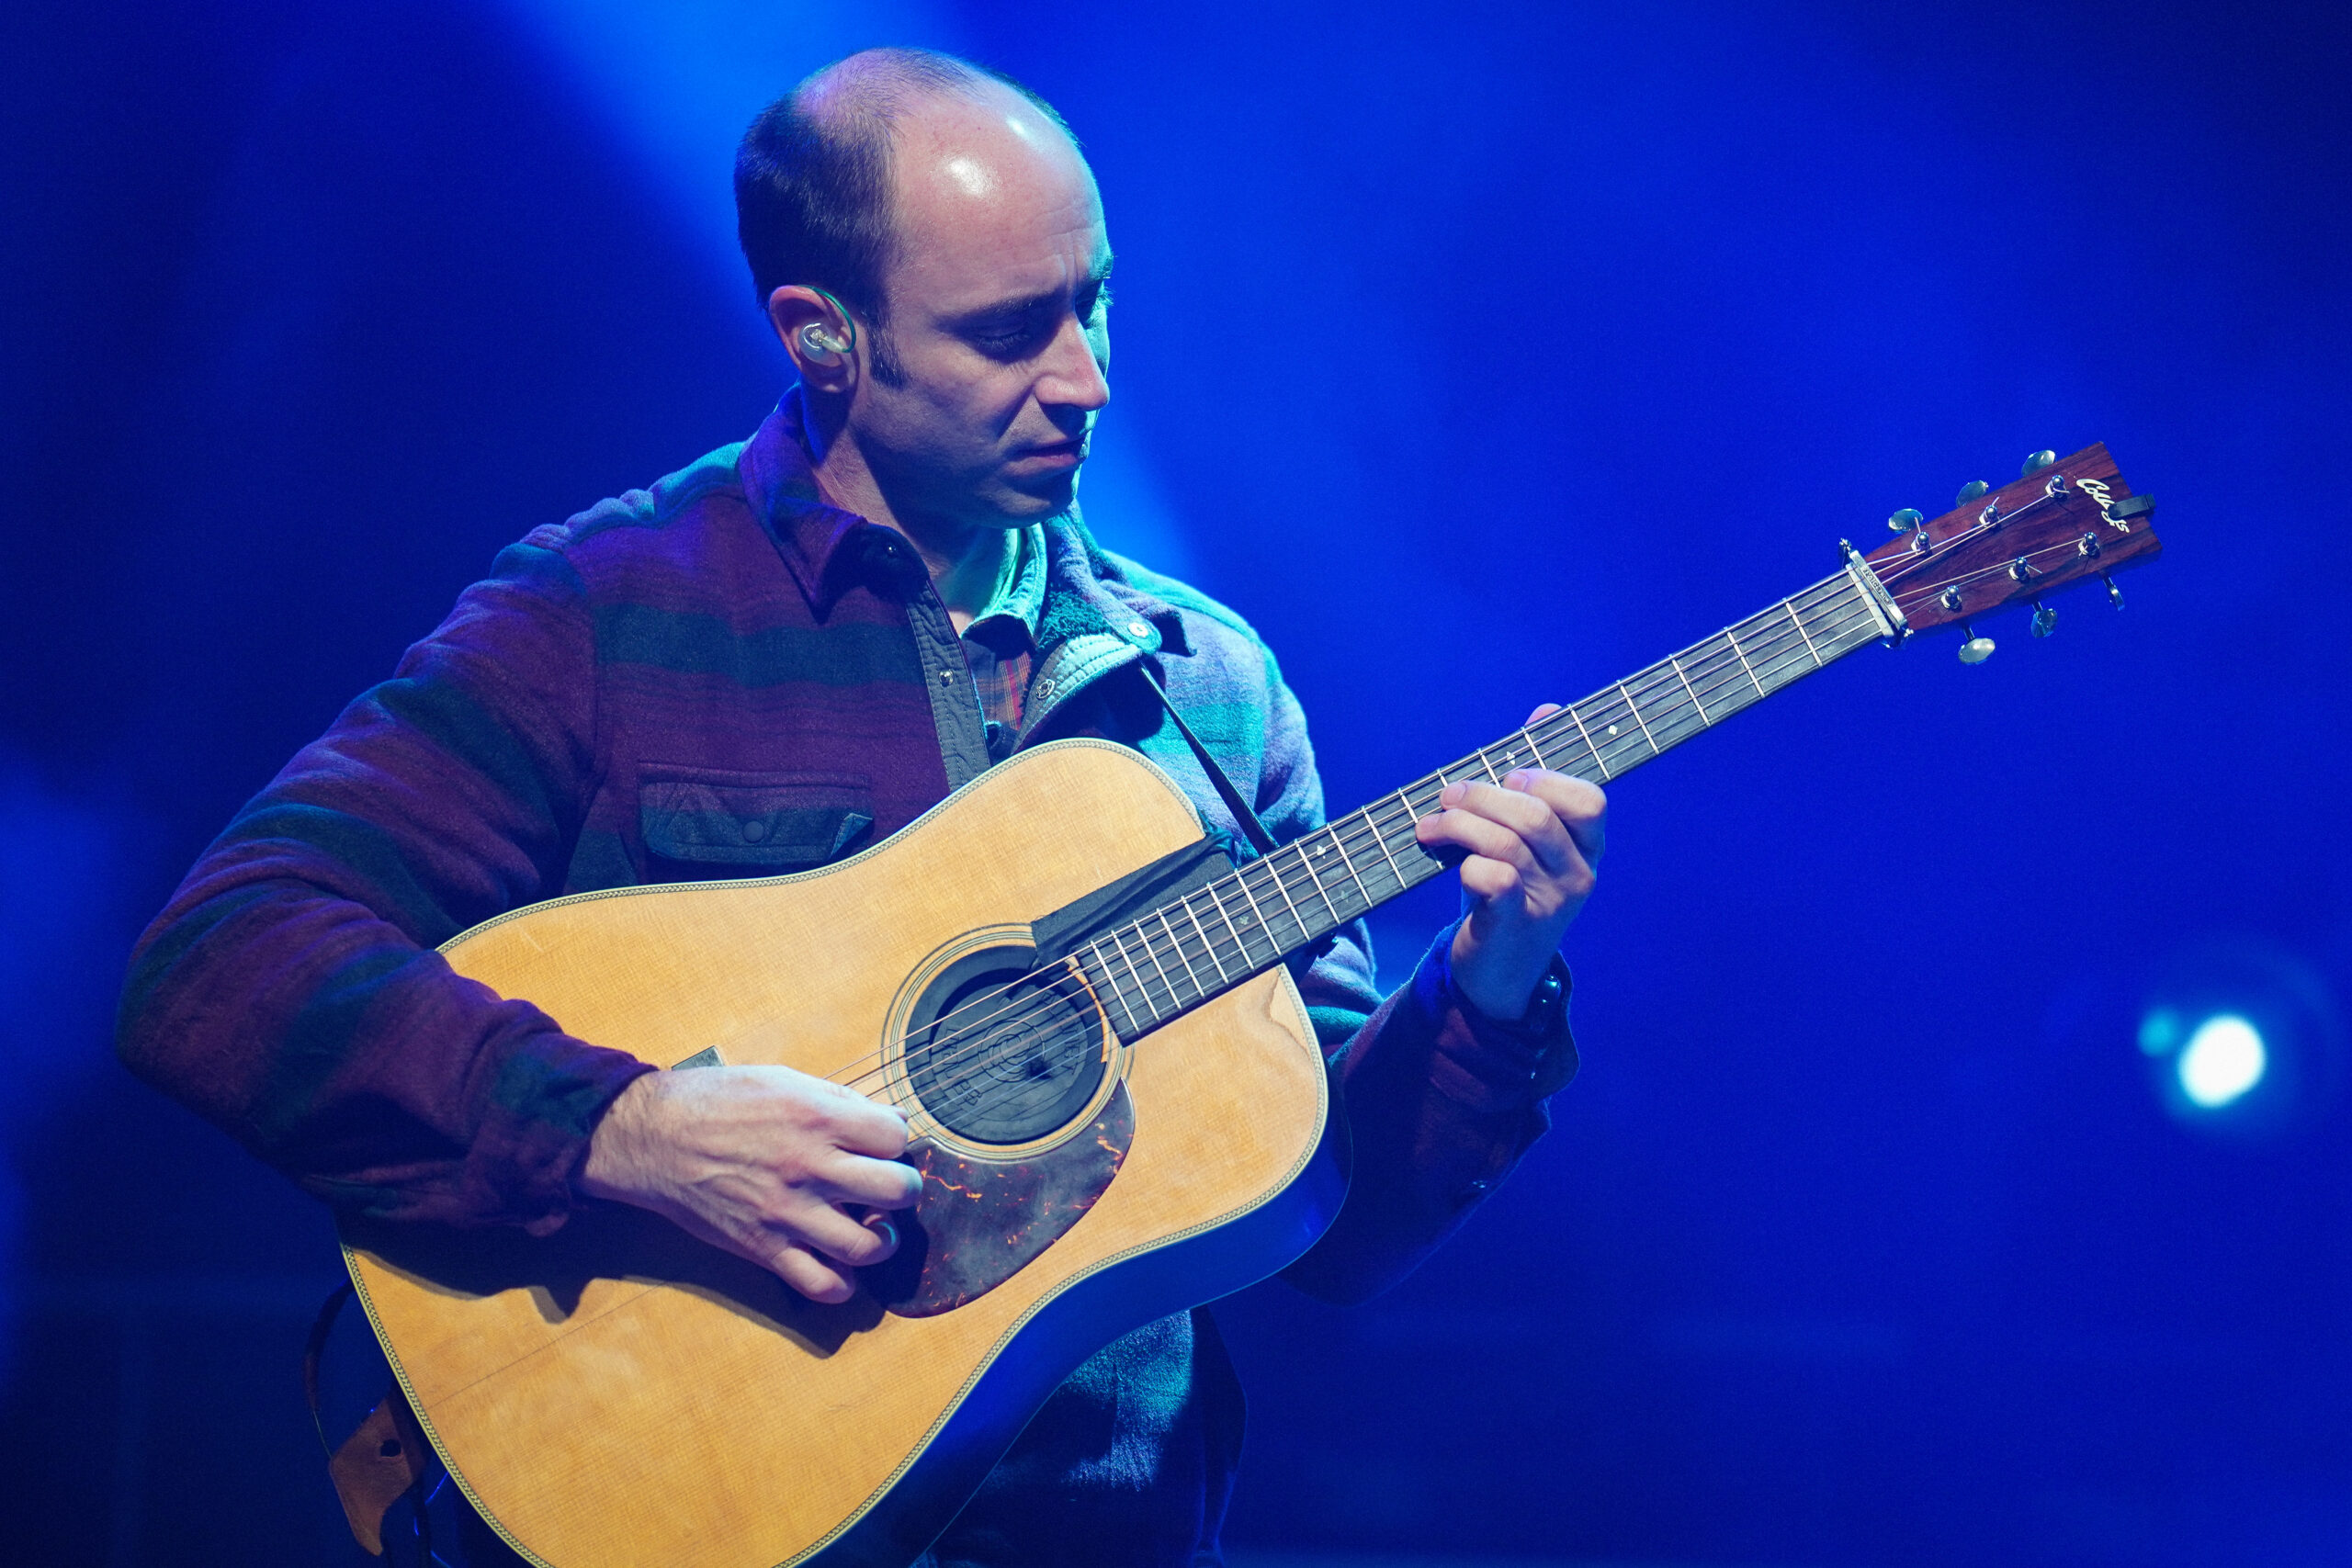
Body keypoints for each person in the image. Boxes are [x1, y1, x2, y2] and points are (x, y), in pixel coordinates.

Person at [116, 46, 1607, 1568]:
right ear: (822, 335)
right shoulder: (607, 611)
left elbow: (1329, 1232)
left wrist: (1487, 990)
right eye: (1010, 332)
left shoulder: (1212, 687)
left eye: (1093, 303)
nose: (1087, 379)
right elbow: (219, 963)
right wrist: (621, 1128)